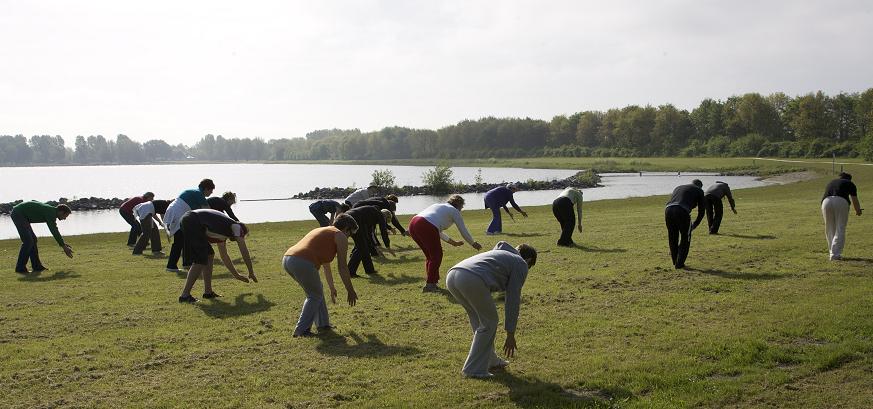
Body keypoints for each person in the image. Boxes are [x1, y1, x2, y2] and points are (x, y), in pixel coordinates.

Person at [445, 241, 536, 378]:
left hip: (453, 275)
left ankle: (490, 359)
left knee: (479, 320)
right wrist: (510, 333)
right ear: (528, 260)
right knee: (490, 322)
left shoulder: (503, 254)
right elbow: (512, 300)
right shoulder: (520, 263)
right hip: (471, 278)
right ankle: (473, 369)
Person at [283, 214, 359, 337]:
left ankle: (323, 325)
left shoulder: (325, 231)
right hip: (301, 261)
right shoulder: (340, 235)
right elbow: (343, 267)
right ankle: (301, 330)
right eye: (350, 233)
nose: (349, 237)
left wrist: (332, 287)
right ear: (346, 228)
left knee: (317, 291)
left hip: (288, 259)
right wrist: (350, 290)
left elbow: (326, 266)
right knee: (314, 295)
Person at [178, 209, 257, 303]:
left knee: (209, 255)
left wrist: (236, 275)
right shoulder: (236, 227)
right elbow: (244, 250)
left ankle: (208, 292)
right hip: (193, 220)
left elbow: (224, 256)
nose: (241, 237)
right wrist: (251, 272)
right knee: (200, 259)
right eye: (242, 235)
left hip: (189, 219)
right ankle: (185, 296)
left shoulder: (223, 230)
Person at [408, 195, 482, 293]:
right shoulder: (454, 211)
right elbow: (463, 230)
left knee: (430, 257)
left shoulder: (438, 206)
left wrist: (453, 243)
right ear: (459, 204)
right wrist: (473, 243)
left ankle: (433, 282)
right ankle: (430, 285)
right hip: (425, 225)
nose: (462, 209)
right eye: (462, 206)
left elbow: (436, 230)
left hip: (413, 223)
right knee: (436, 256)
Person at [163, 179, 215, 272]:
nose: (211, 193)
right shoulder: (198, 194)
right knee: (179, 241)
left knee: (184, 240)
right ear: (206, 188)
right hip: (178, 215)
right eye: (211, 190)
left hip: (175, 213)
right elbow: (208, 211)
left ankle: (186, 263)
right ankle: (171, 266)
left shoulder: (194, 192)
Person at [10, 201, 74, 274]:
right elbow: (54, 231)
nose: (65, 218)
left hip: (22, 215)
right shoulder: (51, 213)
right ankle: (20, 268)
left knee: (33, 240)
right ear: (61, 212)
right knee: (28, 241)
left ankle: (37, 266)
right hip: (18, 214)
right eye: (65, 216)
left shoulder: (51, 211)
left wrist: (63, 244)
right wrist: (64, 246)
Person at [664, 179, 706, 269]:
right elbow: (702, 210)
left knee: (672, 236)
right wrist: (695, 224)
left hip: (668, 209)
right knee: (685, 237)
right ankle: (680, 264)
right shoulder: (699, 190)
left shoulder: (678, 187)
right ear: (700, 186)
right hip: (682, 210)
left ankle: (675, 261)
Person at [821, 172, 862, 261]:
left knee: (829, 228)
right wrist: (858, 210)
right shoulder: (850, 183)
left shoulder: (832, 182)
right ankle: (835, 255)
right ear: (849, 178)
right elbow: (854, 199)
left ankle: (832, 252)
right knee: (840, 228)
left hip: (826, 202)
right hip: (841, 201)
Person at [344, 205, 394, 277]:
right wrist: (388, 246)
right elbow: (383, 231)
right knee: (361, 247)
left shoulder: (371, 214)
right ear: (385, 216)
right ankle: (350, 272)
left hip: (348, 217)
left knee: (364, 245)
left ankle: (369, 270)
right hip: (353, 220)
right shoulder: (379, 215)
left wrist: (375, 247)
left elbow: (369, 234)